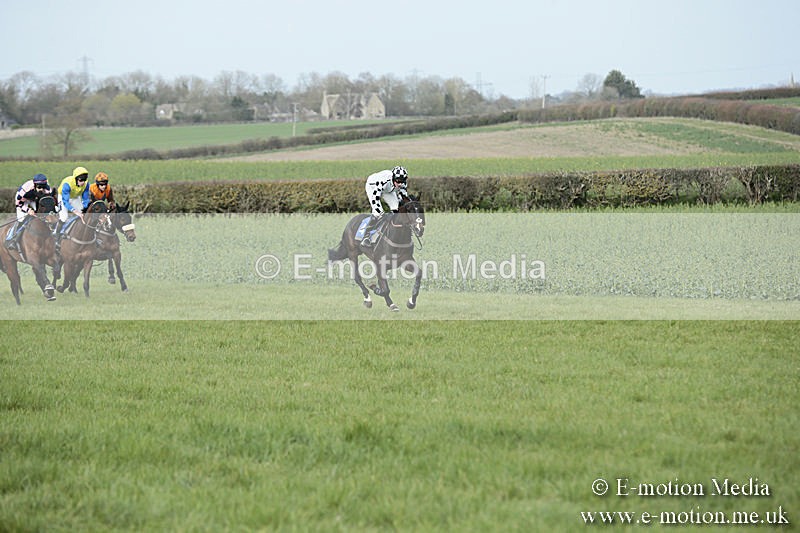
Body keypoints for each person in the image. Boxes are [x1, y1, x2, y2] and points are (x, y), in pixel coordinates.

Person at [5, 173, 60, 251]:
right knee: (21, 219)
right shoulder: (25, 190)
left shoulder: (47, 189)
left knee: (46, 216)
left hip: (36, 199)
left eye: (43, 187)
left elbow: (50, 201)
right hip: (23, 201)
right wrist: (28, 210)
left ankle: (53, 238)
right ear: (34, 185)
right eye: (39, 187)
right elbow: (18, 204)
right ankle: (12, 238)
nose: (41, 189)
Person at [361, 165, 409, 247]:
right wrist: (381, 212)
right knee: (377, 213)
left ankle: (393, 232)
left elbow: (404, 197)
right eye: (398, 182)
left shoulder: (402, 183)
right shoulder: (384, 180)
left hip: (388, 189)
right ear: (393, 178)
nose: (400, 184)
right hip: (373, 187)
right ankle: (366, 237)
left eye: (402, 182)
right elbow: (375, 199)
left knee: (396, 209)